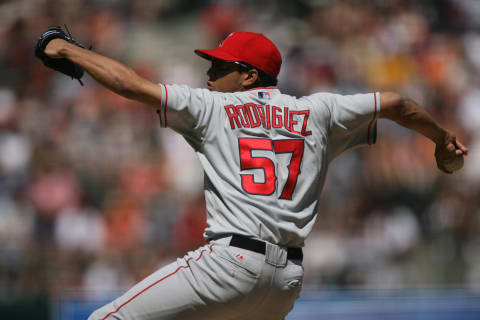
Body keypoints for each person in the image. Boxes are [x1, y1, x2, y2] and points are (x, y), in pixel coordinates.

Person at [41, 31, 468, 320]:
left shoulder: (214, 108)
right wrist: (441, 139)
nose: (209, 75)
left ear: (248, 75)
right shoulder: (317, 111)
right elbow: (396, 103)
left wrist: (68, 49)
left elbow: (131, 85)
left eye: (219, 67)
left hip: (230, 262)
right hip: (286, 281)